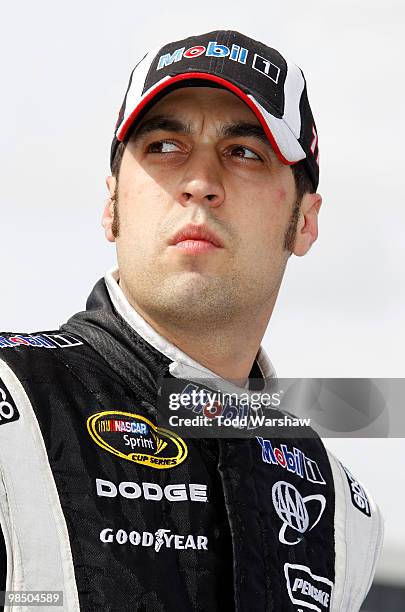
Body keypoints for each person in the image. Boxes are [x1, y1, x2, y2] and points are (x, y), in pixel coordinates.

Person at [0, 30, 383, 611]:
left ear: (305, 220)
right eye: (164, 147)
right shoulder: (13, 403)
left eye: (244, 153)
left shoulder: (341, 513)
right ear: (112, 206)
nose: (200, 183)